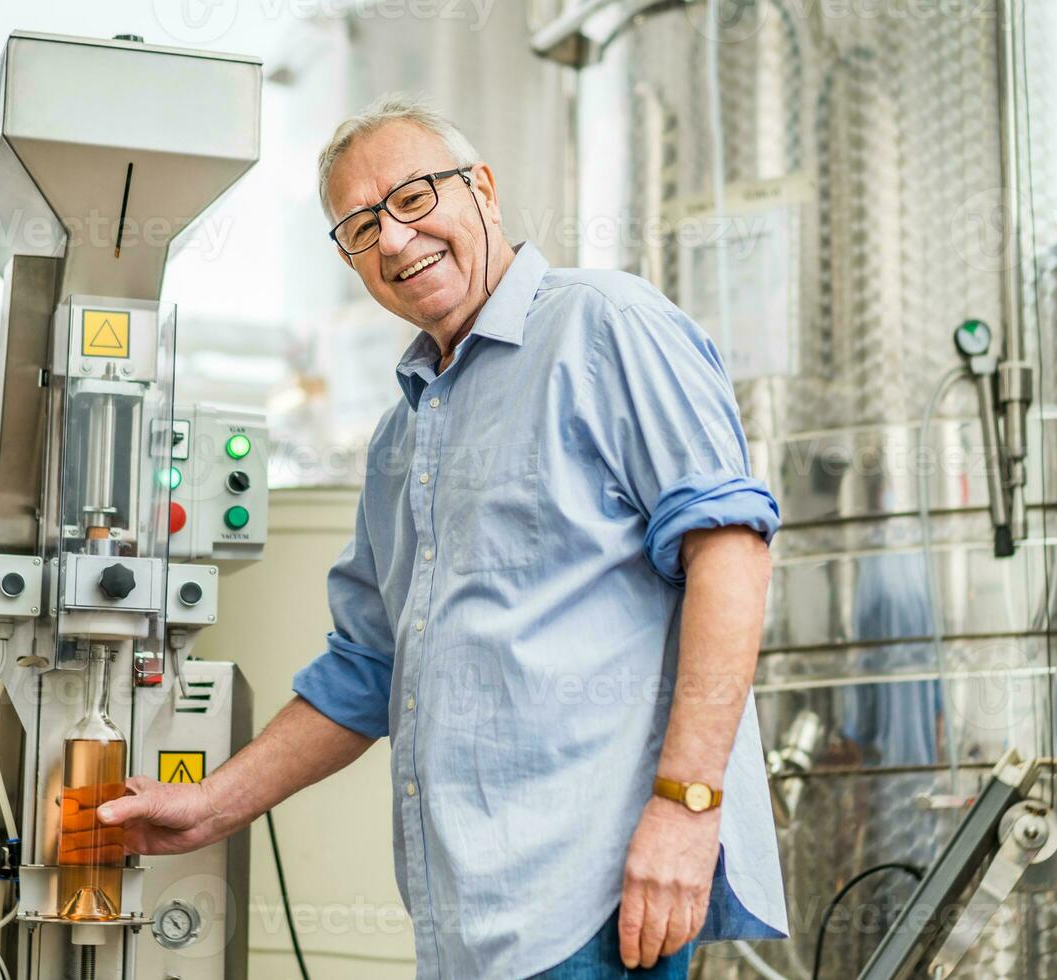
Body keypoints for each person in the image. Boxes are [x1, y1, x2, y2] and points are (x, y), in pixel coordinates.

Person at [99, 93, 787, 979]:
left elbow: (729, 551)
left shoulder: (604, 326)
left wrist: (688, 807)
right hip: (467, 921)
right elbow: (368, 667)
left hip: (595, 900)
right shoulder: (402, 436)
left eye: (414, 198)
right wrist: (211, 808)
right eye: (358, 226)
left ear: (484, 191)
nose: (392, 239)